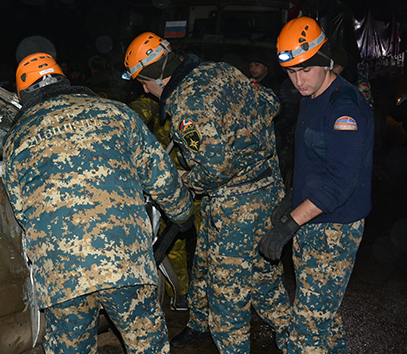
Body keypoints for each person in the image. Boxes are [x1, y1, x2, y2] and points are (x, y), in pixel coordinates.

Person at [3, 52, 193, 354]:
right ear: (64, 81)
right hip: (124, 260)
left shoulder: (17, 139)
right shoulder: (115, 113)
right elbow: (161, 175)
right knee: (147, 346)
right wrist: (183, 213)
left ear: (23, 95)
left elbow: (20, 209)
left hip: (62, 273)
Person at [122, 32, 291, 353]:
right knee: (206, 266)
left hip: (236, 204)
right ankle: (200, 324)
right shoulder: (221, 70)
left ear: (158, 74)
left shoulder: (187, 108)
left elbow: (215, 170)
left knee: (228, 296)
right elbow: (270, 103)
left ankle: (267, 338)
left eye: (144, 81)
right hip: (266, 189)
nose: (144, 88)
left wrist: (180, 180)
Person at [260, 16, 374, 353]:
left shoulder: (345, 109)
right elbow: (315, 164)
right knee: (326, 318)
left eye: (306, 70)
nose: (298, 80)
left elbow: (340, 181)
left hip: (335, 227)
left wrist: (291, 222)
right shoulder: (312, 99)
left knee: (305, 334)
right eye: (292, 72)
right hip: (313, 219)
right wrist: (293, 199)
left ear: (325, 62)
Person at [129, 93, 196, 312]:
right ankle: (181, 294)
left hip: (203, 181)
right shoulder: (158, 104)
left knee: (209, 239)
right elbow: (134, 113)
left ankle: (211, 299)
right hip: (167, 182)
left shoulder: (199, 105)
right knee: (172, 239)